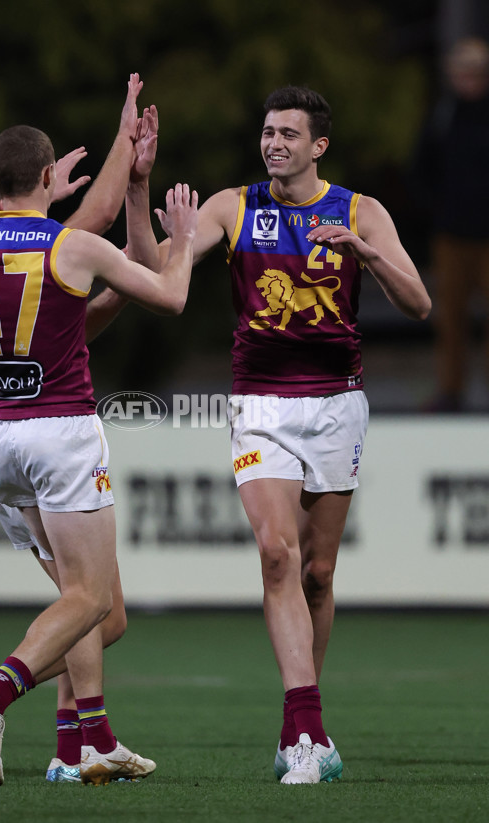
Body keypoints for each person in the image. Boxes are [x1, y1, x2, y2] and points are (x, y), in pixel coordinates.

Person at [132, 84, 431, 784]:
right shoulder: (233, 207)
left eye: (289, 134)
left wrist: (365, 251)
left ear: (318, 145)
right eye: (268, 132)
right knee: (275, 553)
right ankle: (307, 731)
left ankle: (301, 726)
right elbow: (154, 270)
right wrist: (138, 184)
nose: (274, 143)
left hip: (337, 405)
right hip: (261, 403)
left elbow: (419, 303)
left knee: (317, 574)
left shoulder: (361, 211)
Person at [0, 104, 197, 786]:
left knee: (94, 610)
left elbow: (63, 311)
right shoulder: (72, 246)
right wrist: (183, 238)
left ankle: (82, 743)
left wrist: (64, 194)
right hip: (61, 432)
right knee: (90, 601)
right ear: (51, 174)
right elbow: (169, 296)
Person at [410, 37, 489, 412]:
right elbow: (421, 168)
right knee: (449, 319)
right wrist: (437, 210)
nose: (468, 80)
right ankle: (451, 390)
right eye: (462, 72)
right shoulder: (443, 115)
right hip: (452, 235)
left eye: (475, 72)